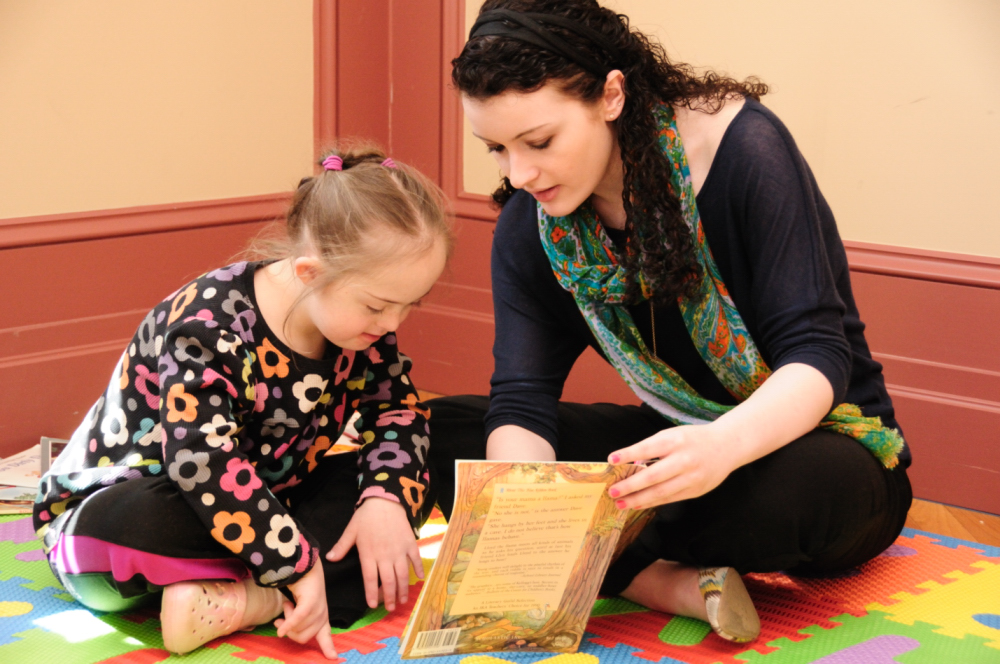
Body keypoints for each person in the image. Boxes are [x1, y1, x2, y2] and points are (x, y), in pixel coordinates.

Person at [428, 0, 912, 644]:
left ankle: (598, 562)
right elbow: (522, 398)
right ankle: (663, 582)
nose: (520, 174)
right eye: (496, 148)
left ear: (610, 94)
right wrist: (520, 502)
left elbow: (819, 354)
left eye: (540, 142)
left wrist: (719, 449)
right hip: (675, 450)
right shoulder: (532, 223)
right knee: (439, 434)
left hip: (817, 448)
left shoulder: (746, 152)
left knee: (782, 497)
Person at [32, 146, 452, 657]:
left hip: (263, 509)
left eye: (411, 304)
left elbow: (397, 413)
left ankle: (254, 600)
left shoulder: (364, 330)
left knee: (406, 484)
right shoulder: (209, 326)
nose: (393, 325)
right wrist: (296, 562)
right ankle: (291, 582)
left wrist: (384, 499)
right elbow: (203, 465)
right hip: (138, 510)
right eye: (379, 305)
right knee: (136, 519)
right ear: (309, 273)